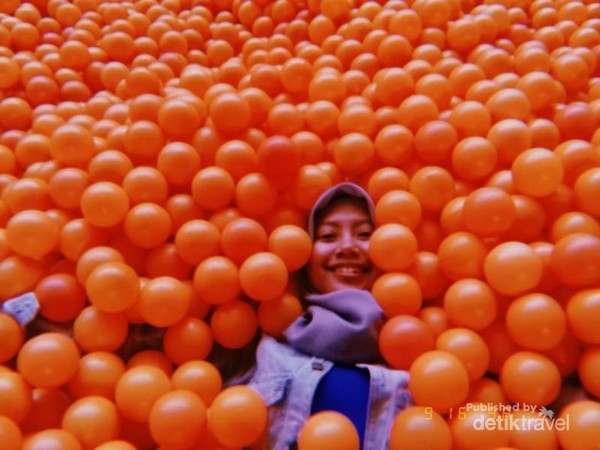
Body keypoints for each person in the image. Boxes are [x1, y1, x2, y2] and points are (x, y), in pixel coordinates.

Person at [241, 182, 412, 450]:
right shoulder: (260, 347)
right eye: (328, 236)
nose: (347, 247)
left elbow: (480, 417)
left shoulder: (421, 356)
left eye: (365, 234)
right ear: (305, 258)